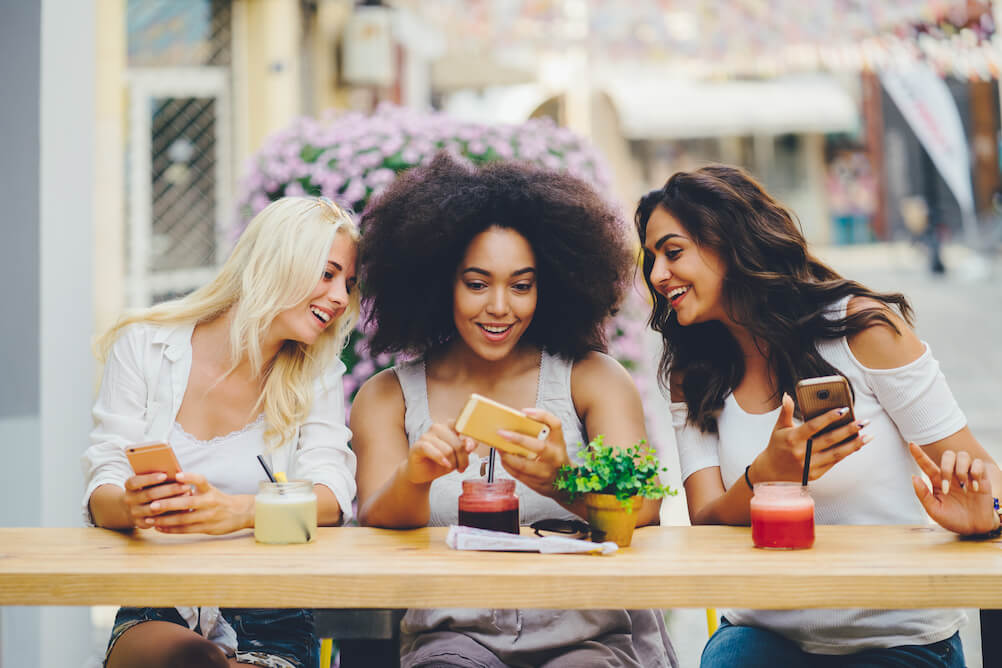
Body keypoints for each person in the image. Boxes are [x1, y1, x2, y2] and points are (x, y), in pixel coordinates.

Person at [635, 164, 1002, 668]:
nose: (657, 275)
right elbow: (706, 518)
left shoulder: (862, 330)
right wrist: (768, 475)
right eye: (651, 258)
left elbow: (988, 481)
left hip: (898, 638)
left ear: (730, 241)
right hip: (761, 635)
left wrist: (986, 516)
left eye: (672, 252)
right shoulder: (694, 372)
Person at [351, 153, 678, 668]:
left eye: (521, 285)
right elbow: (375, 523)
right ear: (439, 284)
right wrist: (415, 476)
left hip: (587, 640)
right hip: (452, 641)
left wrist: (560, 480)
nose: (500, 306)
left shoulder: (591, 379)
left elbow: (644, 508)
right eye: (477, 284)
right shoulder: (387, 397)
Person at [83, 197, 360, 668]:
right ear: (278, 261)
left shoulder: (318, 374)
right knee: (194, 661)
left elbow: (332, 500)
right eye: (327, 273)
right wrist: (135, 504)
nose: (340, 298)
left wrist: (237, 512)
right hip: (160, 602)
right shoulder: (145, 346)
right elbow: (102, 486)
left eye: (348, 284)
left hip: (274, 611)